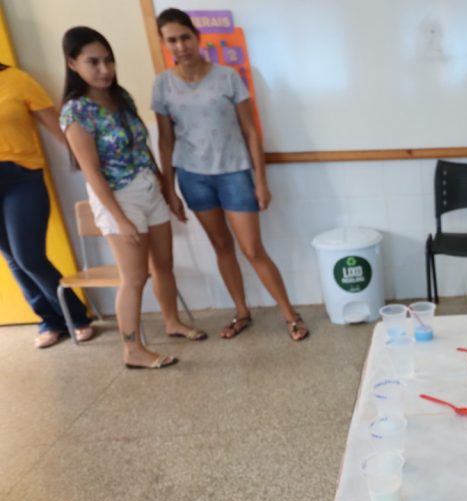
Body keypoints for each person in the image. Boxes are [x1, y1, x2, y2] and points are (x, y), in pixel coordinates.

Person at [153, 8, 308, 342]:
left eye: (185, 37)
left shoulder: (227, 77)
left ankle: (290, 315)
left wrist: (261, 181)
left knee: (252, 249)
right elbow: (165, 143)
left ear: (197, 37)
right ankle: (241, 312)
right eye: (172, 40)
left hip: (235, 173)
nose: (180, 46)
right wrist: (170, 190)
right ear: (163, 43)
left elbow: (251, 131)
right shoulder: (162, 85)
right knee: (221, 247)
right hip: (193, 178)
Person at [61, 26, 205, 369]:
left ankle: (172, 322)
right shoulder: (75, 111)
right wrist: (121, 220)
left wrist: (167, 190)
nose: (104, 69)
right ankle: (133, 350)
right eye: (93, 62)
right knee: (135, 278)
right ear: (72, 63)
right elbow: (92, 172)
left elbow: (143, 149)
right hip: (117, 199)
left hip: (148, 189)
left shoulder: (120, 97)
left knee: (164, 265)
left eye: (108, 60)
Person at [0, 62, 94, 348]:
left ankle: (76, 317)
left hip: (21, 178)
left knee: (29, 257)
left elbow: (57, 126)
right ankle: (49, 320)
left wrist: (91, 166)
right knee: (13, 260)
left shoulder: (18, 80)